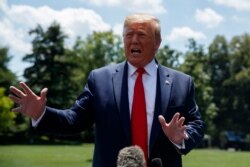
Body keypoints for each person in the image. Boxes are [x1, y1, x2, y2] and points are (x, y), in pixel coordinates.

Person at [9, 13, 204, 167]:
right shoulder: (99, 79)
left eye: (141, 35)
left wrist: (182, 136)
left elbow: (197, 123)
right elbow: (74, 119)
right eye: (128, 35)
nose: (134, 40)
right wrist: (41, 113)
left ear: (157, 43)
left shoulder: (181, 82)